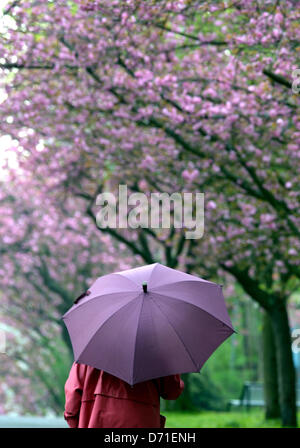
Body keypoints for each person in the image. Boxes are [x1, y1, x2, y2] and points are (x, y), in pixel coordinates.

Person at [64, 362, 184, 428]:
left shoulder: (87, 358)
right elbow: (173, 391)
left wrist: (78, 424)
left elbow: (71, 405)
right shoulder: (156, 353)